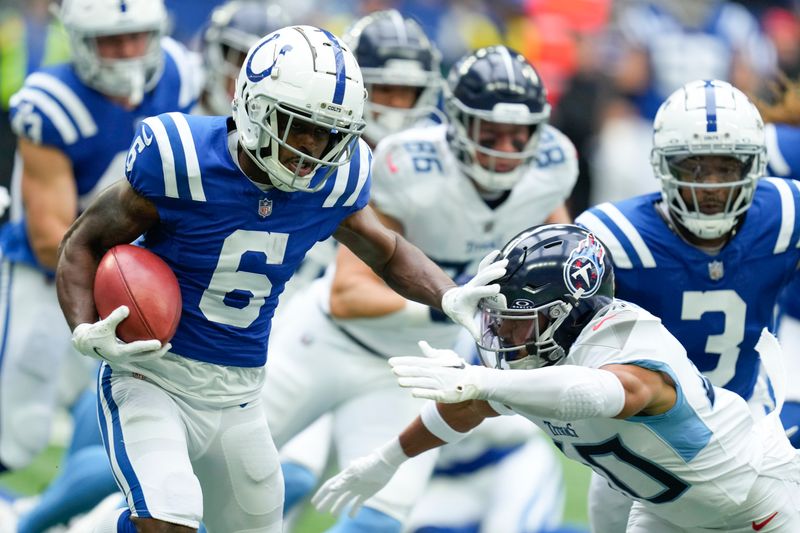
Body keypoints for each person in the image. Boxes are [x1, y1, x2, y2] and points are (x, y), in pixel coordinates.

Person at [55, 26, 502, 533]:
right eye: (296, 126)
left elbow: (389, 252)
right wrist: (84, 327)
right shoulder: (181, 161)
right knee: (168, 516)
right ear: (252, 105)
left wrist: (450, 295)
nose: (310, 148)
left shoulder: (336, 181)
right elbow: (84, 241)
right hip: (151, 375)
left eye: (328, 133)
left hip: (240, 395)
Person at [261, 44, 576, 533]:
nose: (506, 149)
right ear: (456, 122)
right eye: (491, 132)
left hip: (413, 366)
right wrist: (451, 306)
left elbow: (565, 251)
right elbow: (348, 296)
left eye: (520, 135)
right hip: (325, 343)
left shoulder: (553, 167)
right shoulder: (408, 165)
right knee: (226, 476)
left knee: (380, 520)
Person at [313, 223, 800, 533]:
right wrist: (386, 459)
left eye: (517, 319)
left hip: (756, 502)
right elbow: (468, 406)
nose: (503, 333)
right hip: (664, 513)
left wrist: (485, 382)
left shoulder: (631, 342)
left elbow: (598, 393)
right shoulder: (536, 364)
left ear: (568, 314)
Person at [574, 79, 800, 532]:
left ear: (754, 166)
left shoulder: (785, 214)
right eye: (695, 167)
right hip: (639, 446)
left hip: (745, 424)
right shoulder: (613, 238)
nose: (712, 185)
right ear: (664, 166)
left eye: (726, 166)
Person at [0, 0, 199, 479]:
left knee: (132, 407)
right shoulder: (52, 102)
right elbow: (53, 239)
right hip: (48, 275)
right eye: (111, 41)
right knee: (18, 427)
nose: (128, 52)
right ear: (81, 42)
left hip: (140, 269)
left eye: (137, 37)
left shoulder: (179, 73)